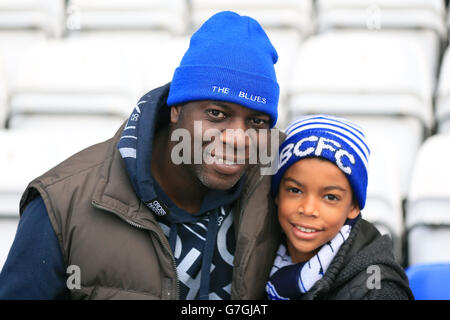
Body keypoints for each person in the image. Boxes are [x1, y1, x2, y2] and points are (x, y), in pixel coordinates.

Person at [0, 11, 282, 300]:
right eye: (216, 114)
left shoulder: (287, 181)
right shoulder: (63, 203)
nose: (238, 138)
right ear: (176, 109)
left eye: (257, 122)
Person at [266, 115, 414, 300]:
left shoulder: (378, 290)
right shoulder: (255, 255)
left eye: (330, 197)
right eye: (295, 190)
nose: (309, 209)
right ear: (277, 194)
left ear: (353, 206)